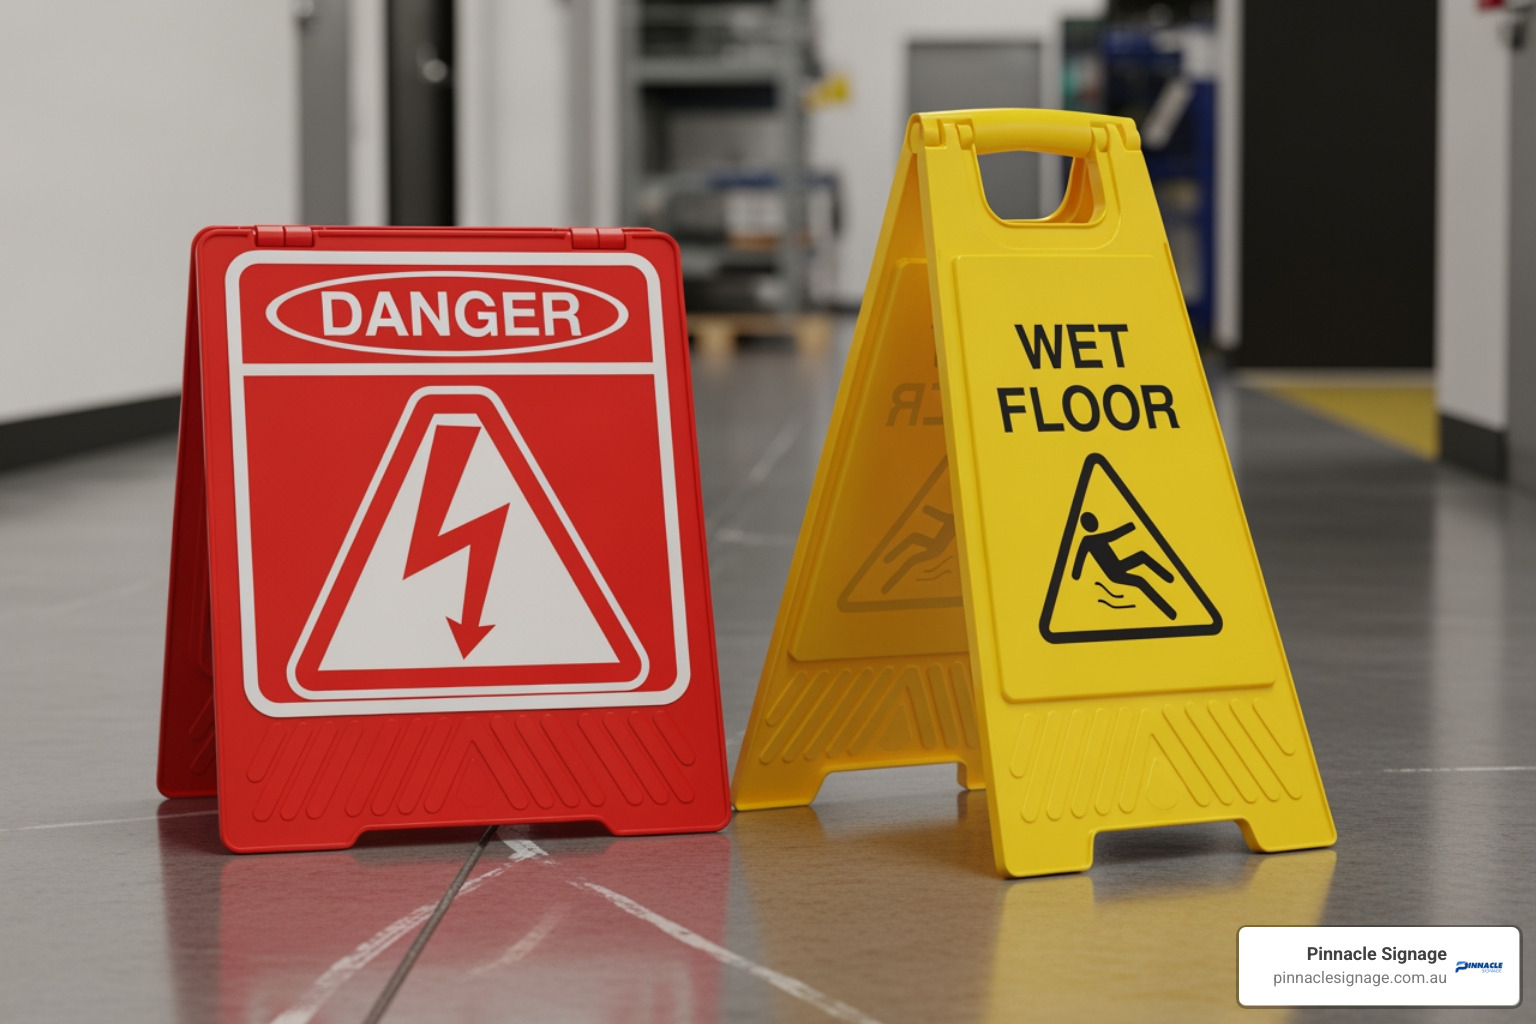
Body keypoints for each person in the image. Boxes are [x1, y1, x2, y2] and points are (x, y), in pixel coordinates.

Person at [1070, 511, 1177, 619]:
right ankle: (1170, 612)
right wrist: (1076, 574)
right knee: (1140, 580)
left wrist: (1131, 526)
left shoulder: (1093, 539)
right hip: (1114, 573)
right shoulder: (1088, 540)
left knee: (1141, 557)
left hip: (1118, 566)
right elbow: (1081, 557)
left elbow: (1113, 535)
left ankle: (1168, 578)